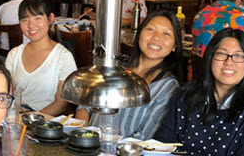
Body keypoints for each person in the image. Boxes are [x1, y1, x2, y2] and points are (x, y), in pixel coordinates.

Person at [154, 28, 244, 156]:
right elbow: (163, 145)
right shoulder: (186, 95)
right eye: (221, 54)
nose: (229, 62)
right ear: (210, 58)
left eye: (239, 56)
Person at [76, 10, 186, 140]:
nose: (156, 37)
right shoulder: (115, 69)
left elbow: (144, 137)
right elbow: (85, 105)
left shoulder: (168, 88)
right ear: (139, 34)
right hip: (87, 145)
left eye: (166, 34)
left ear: (174, 46)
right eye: (151, 29)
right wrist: (82, 133)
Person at [4, 0, 77, 116]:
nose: (31, 25)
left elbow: (61, 103)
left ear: (50, 19)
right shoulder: (14, 54)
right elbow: (8, 94)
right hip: (16, 118)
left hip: (45, 122)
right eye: (25, 19)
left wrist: (32, 119)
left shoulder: (63, 57)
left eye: (37, 18)